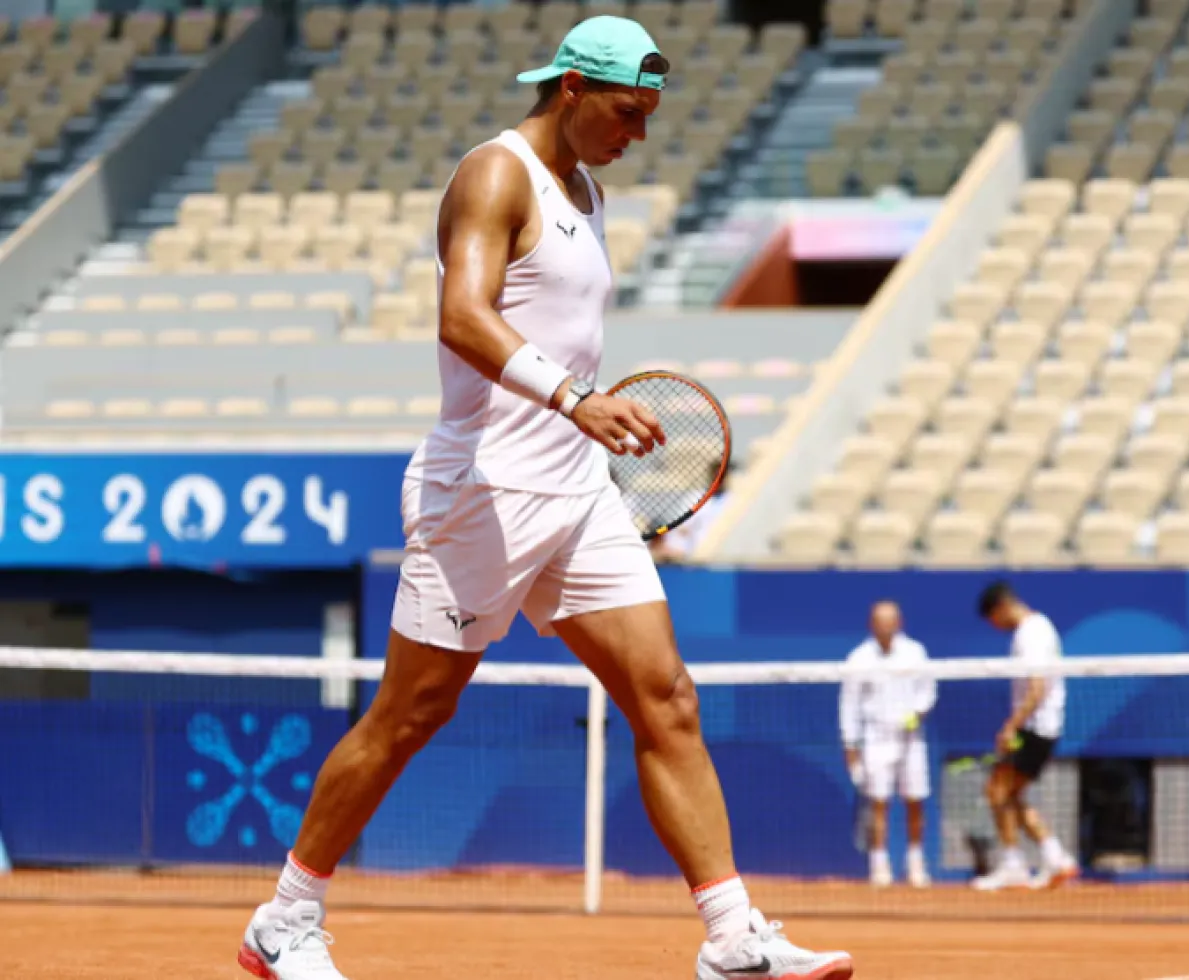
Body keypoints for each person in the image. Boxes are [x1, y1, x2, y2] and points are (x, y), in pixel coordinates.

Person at [236, 18, 853, 980]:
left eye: (648, 116)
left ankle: (731, 937)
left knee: (666, 698)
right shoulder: (495, 175)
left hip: (576, 490)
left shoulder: (588, 189)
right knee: (410, 714)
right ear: (570, 88)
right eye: (625, 112)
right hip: (481, 491)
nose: (637, 133)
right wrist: (576, 400)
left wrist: (588, 421)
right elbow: (462, 317)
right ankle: (285, 920)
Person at [971, 581, 1079, 891]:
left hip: (1035, 727)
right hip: (1042, 727)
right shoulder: (1037, 628)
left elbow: (1037, 688)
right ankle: (1056, 857)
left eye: (993, 619)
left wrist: (1012, 726)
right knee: (1010, 795)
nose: (995, 626)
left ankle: (1014, 865)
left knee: (997, 792)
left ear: (1002, 607)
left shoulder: (1031, 633)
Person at [838, 600, 936, 888]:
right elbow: (849, 706)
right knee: (878, 803)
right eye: (880, 620)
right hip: (875, 739)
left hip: (911, 739)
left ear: (899, 622)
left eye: (890, 619)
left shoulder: (916, 653)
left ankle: (916, 863)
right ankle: (879, 866)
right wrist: (850, 748)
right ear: (871, 624)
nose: (885, 625)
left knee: (915, 800)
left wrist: (916, 713)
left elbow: (928, 692)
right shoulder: (858, 659)